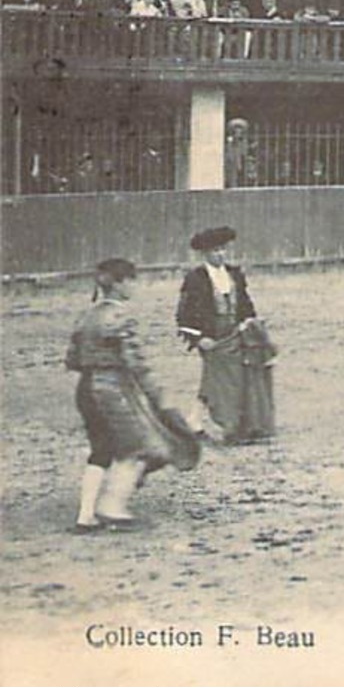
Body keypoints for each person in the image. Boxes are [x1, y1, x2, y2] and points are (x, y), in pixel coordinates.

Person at [68, 258, 196, 532]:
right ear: (120, 284)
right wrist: (160, 400)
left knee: (100, 451)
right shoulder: (121, 316)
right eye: (132, 280)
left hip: (85, 389)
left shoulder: (86, 316)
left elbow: (73, 360)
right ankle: (112, 507)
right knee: (143, 446)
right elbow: (136, 365)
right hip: (113, 390)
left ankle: (85, 515)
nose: (135, 286)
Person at [176, 227, 275, 444]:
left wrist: (249, 322)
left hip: (235, 334)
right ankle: (224, 424)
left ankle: (196, 420)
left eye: (223, 250)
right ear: (205, 254)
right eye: (215, 251)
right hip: (212, 337)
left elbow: (246, 304)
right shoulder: (196, 278)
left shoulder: (234, 274)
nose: (220, 255)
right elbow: (184, 314)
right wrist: (198, 338)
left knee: (226, 378)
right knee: (221, 379)